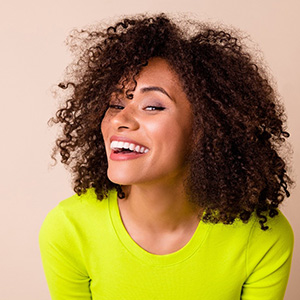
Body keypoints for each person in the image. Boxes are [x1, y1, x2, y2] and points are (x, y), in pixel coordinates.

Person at [39, 13, 294, 300]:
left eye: (152, 106)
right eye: (114, 104)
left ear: (204, 129)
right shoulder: (69, 229)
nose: (120, 119)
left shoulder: (263, 238)